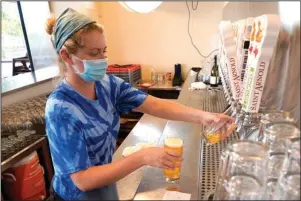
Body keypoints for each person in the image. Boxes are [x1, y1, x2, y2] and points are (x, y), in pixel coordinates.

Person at [45, 8, 234, 200]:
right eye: (94, 53)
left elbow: (153, 105)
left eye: (104, 52)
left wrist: (205, 117)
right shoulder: (60, 108)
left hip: (105, 186)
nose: (102, 60)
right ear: (67, 56)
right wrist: (142, 157)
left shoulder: (106, 85)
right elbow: (82, 180)